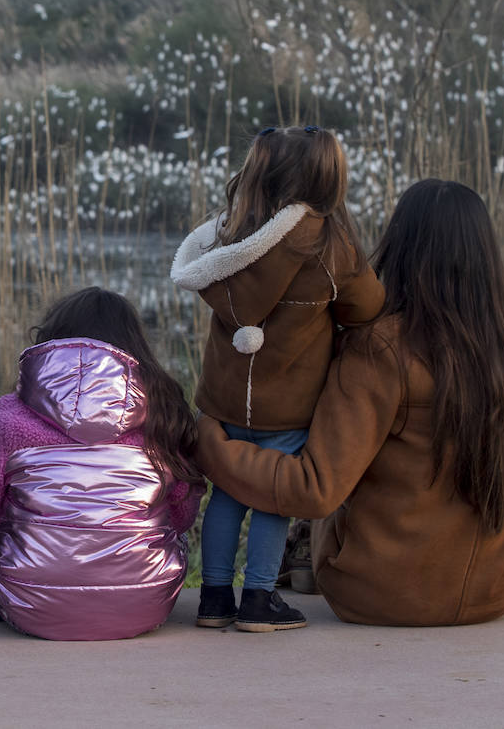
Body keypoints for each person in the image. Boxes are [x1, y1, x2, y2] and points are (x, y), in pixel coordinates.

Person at [195, 179, 504, 626]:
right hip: (502, 584)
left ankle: (294, 556)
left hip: (382, 592)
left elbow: (312, 487)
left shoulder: (382, 347)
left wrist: (211, 442)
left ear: (400, 246)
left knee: (315, 477)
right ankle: (294, 555)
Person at [170, 125, 383, 632]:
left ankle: (215, 599)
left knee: (228, 491)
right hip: (288, 406)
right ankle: (260, 600)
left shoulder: (230, 236)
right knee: (275, 495)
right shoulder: (331, 246)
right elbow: (368, 307)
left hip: (223, 402)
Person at [0, 288, 204, 641]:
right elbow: (182, 515)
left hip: (32, 606)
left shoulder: (8, 418)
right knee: (173, 536)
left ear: (52, 340)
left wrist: (27, 540)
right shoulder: (162, 418)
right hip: (145, 602)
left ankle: (2, 604)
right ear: (136, 347)